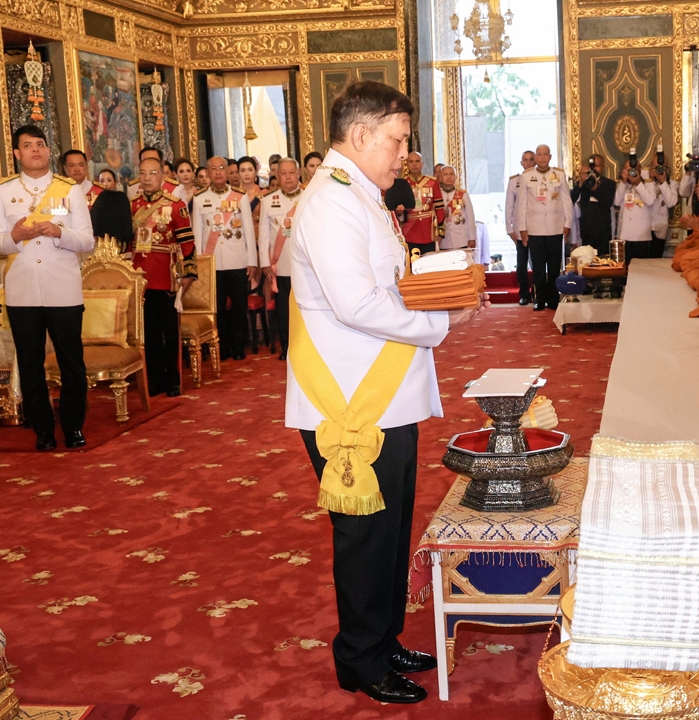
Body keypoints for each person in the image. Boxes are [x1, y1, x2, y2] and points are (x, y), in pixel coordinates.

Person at [289, 79, 482, 705]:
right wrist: (442, 322)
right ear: (362, 133)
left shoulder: (361, 196)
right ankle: (360, 659)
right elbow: (357, 303)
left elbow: (389, 280)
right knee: (365, 534)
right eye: (397, 140)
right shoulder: (331, 202)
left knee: (392, 524)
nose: (403, 153)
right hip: (349, 400)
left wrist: (438, 282)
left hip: (380, 389)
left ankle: (383, 635)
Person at [0, 125, 94, 451]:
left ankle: (74, 426)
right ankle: (43, 431)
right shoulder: (4, 190)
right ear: (17, 154)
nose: (36, 150)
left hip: (62, 287)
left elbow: (87, 241)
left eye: (41, 145)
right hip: (22, 290)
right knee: (30, 363)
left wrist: (59, 232)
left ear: (48, 151)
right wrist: (14, 237)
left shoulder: (68, 188)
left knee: (71, 362)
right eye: (28, 146)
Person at [130, 157, 195, 397]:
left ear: (162, 177)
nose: (147, 177)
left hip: (167, 277)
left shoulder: (175, 205)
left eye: (152, 173)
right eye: (143, 173)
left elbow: (188, 243)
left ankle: (173, 379)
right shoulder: (132, 205)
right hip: (139, 278)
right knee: (148, 334)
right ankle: (154, 379)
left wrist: (188, 274)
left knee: (170, 332)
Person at [190, 156, 256, 361]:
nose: (218, 172)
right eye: (213, 169)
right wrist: (200, 262)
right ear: (207, 172)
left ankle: (239, 345)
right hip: (212, 262)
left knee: (239, 304)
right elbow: (198, 233)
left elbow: (248, 230)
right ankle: (223, 345)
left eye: (222, 168)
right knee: (217, 307)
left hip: (237, 259)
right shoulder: (200, 198)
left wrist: (252, 260)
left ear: (228, 171)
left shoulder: (240, 196)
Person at [516, 144, 573, 311]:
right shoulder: (527, 176)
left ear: (550, 157)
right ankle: (539, 299)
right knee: (539, 267)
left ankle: (553, 299)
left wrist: (567, 224)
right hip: (535, 228)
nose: (542, 157)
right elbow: (522, 204)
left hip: (555, 227)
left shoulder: (559, 175)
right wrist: (522, 228)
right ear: (535, 157)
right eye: (539, 155)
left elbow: (567, 201)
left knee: (554, 266)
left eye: (545, 154)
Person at [258, 158, 302, 361]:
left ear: (298, 173)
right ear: (277, 176)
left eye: (291, 173)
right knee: (284, 310)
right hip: (281, 265)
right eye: (283, 173)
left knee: (305, 309)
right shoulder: (268, 201)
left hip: (306, 265)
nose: (287, 177)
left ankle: (306, 348)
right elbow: (264, 235)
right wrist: (265, 264)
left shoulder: (309, 197)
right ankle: (286, 348)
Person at [398, 152, 444, 258]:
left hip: (429, 232)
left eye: (417, 161)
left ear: (422, 164)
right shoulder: (402, 184)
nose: (414, 164)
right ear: (407, 164)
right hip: (410, 231)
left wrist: (440, 232)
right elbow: (399, 212)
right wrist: (399, 212)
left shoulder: (432, 183)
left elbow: (439, 208)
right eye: (411, 162)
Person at [504, 149, 536, 304]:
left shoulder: (541, 179)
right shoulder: (514, 181)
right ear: (521, 163)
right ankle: (524, 294)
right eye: (525, 160)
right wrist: (509, 229)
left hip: (537, 227)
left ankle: (538, 292)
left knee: (538, 262)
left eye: (531, 159)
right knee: (522, 262)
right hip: (519, 227)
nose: (528, 162)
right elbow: (509, 206)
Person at [570, 153, 616, 257]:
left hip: (603, 232)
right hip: (586, 232)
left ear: (603, 167)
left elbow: (607, 202)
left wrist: (595, 189)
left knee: (603, 262)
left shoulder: (609, 184)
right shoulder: (584, 183)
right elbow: (572, 199)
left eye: (598, 166)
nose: (595, 168)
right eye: (593, 166)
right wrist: (581, 184)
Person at [437, 165, 476, 252]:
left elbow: (470, 217)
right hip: (443, 238)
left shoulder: (463, 194)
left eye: (451, 174)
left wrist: (472, 237)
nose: (449, 177)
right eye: (445, 174)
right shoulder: (437, 194)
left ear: (456, 177)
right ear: (440, 177)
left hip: (460, 237)